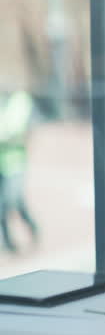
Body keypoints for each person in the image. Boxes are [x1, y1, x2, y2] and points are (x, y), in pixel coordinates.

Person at [0, 88, 38, 253]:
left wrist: (12, 139)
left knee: (12, 202)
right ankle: (9, 243)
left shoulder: (21, 103)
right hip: (2, 162)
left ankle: (33, 228)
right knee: (4, 204)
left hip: (15, 163)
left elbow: (28, 132)